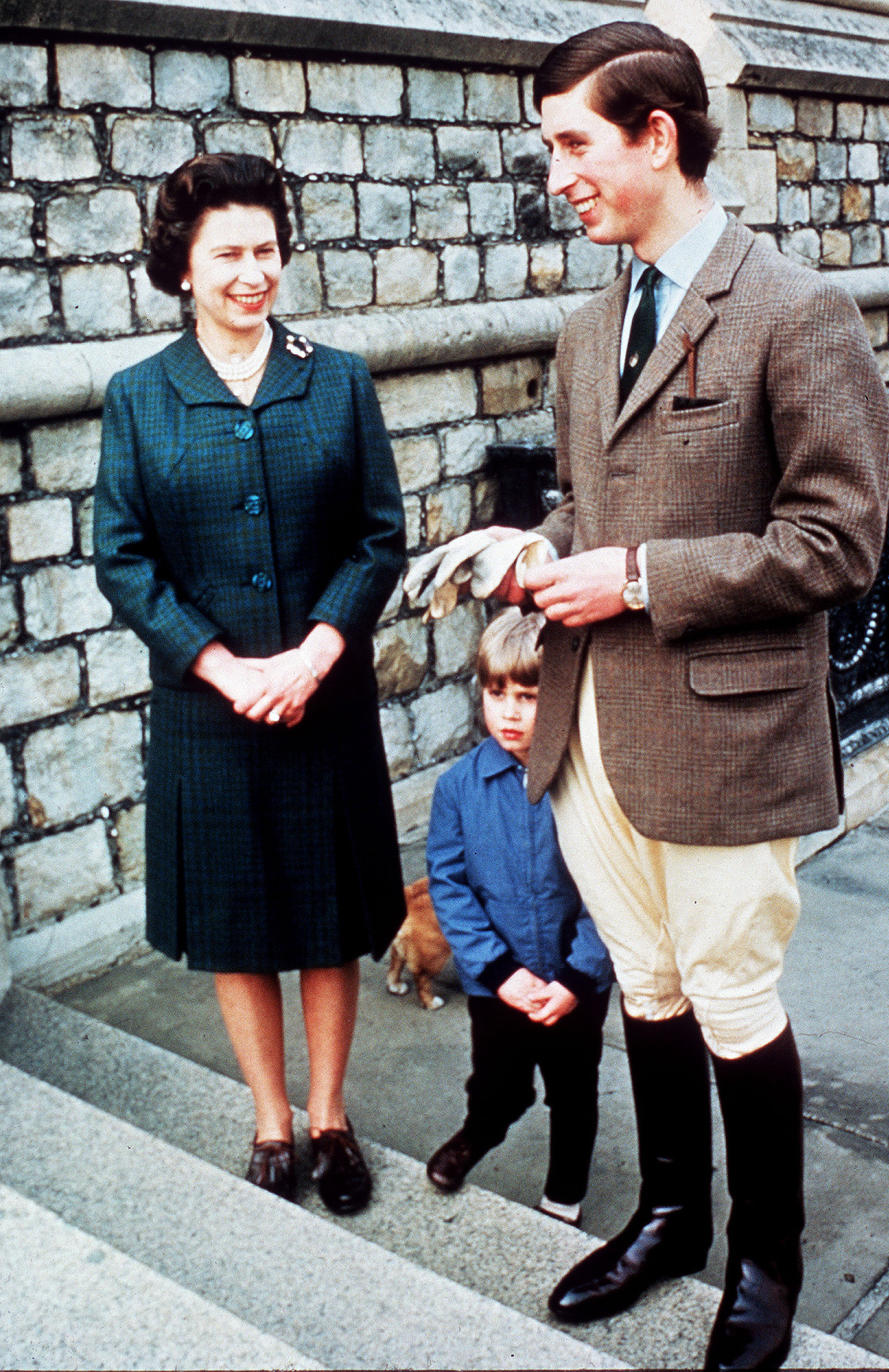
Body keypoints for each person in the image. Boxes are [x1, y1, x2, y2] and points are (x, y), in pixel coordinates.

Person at [487, 21, 889, 1371]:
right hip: (590, 729)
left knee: (727, 993)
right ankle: (671, 1215)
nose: (559, 175)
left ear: (658, 135)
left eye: (574, 145)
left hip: (724, 733)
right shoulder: (589, 325)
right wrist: (536, 551)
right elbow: (589, 501)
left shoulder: (795, 309)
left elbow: (839, 542)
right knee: (646, 987)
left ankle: (765, 1263)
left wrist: (643, 577)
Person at [94, 152, 406, 1215]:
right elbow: (123, 558)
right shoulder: (140, 397)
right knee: (237, 918)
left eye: (267, 250)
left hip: (325, 698)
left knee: (325, 914)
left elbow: (378, 537)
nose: (252, 273)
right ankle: (270, 1118)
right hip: (209, 708)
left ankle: (330, 1114)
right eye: (228, 253)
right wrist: (225, 669)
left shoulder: (340, 376)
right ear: (181, 267)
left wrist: (317, 653)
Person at [425, 608, 613, 1226]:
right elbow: (449, 886)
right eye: (496, 693)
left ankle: (563, 1193)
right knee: (497, 1081)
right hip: (496, 981)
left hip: (571, 983)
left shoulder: (587, 783)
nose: (509, 712)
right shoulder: (458, 787)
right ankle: (480, 1132)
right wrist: (498, 970)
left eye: (529, 697)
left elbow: (609, 889)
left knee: (573, 1091)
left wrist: (580, 977)